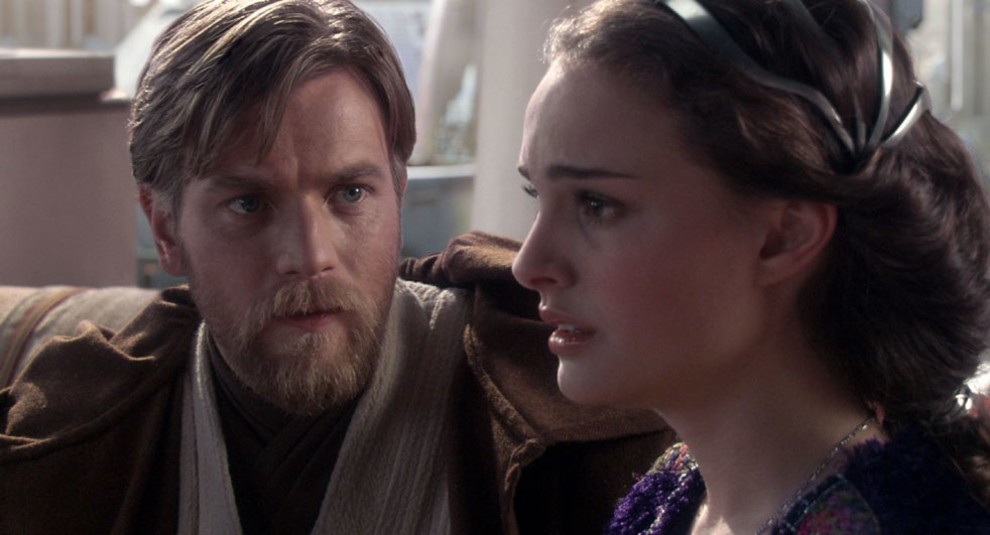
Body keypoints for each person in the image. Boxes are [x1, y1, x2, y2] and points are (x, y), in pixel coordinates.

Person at [0, 1, 673, 533]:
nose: (309, 256)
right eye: (248, 204)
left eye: (350, 193)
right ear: (165, 228)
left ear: (398, 190)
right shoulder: (69, 442)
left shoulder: (573, 413)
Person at [511, 0, 990, 533]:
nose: (528, 265)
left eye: (597, 205)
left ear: (782, 237)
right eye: (537, 194)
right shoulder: (679, 490)